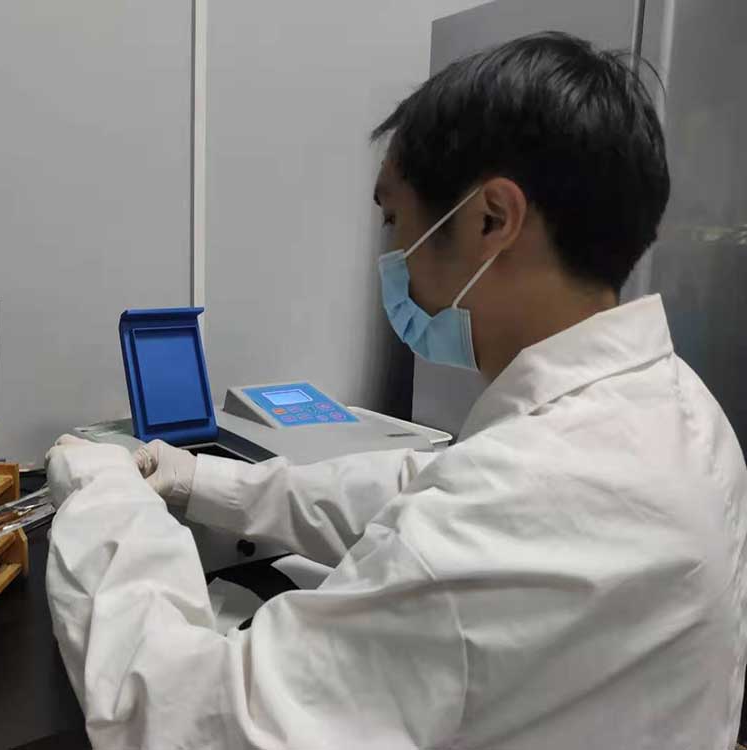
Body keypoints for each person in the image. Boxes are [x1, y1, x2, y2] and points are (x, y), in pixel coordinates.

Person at [44, 32, 747, 749]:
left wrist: (105, 497)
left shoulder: (518, 503)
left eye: (394, 218)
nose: (393, 255)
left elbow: (185, 716)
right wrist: (202, 480)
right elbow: (416, 485)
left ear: (491, 219)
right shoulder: (682, 411)